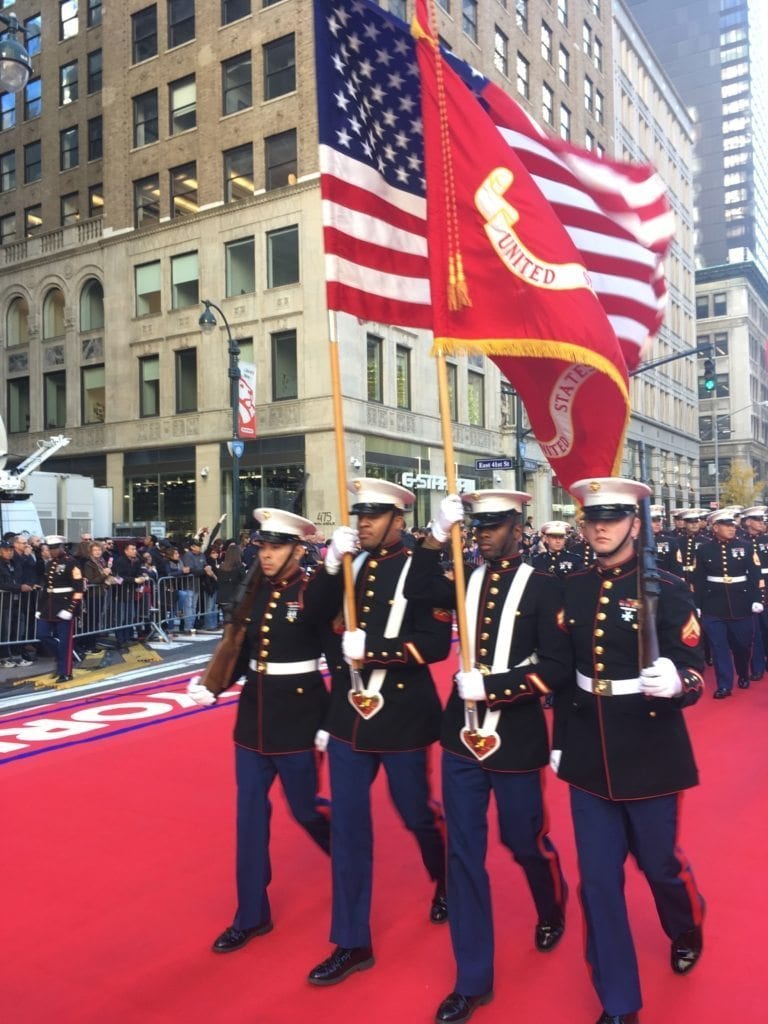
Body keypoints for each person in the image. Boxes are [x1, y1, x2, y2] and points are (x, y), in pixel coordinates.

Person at [407, 491, 571, 1024]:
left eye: (493, 525)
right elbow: (413, 592)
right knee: (464, 853)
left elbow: (556, 668)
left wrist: (496, 686)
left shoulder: (546, 588)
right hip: (461, 737)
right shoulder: (463, 577)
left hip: (516, 734)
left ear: (518, 527)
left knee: (522, 839)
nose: (481, 532)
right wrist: (434, 537)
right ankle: (472, 978)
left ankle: (550, 899)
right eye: (477, 524)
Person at [556, 478, 706, 1024]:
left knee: (659, 865)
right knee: (597, 882)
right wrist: (558, 743)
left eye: (614, 517)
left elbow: (695, 664)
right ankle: (619, 1004)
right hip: (589, 751)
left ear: (635, 524)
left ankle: (686, 921)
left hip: (650, 747)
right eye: (593, 516)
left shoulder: (665, 587)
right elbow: (561, 674)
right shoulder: (569, 585)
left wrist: (679, 680)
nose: (601, 526)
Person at [307, 478, 452, 987]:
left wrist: (376, 653)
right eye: (359, 514)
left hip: (403, 714)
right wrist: (328, 567)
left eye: (374, 516)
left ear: (399, 522)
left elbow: (435, 643)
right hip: (351, 714)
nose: (362, 523)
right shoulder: (350, 564)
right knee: (348, 828)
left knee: (415, 813)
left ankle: (446, 878)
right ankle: (352, 941)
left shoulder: (421, 567)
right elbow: (312, 616)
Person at [186, 508, 333, 953]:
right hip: (253, 719)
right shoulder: (254, 593)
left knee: (306, 810)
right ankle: (251, 914)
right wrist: (215, 683)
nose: (265, 555)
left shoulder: (311, 593)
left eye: (275, 547)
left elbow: (341, 662)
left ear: (297, 549)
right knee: (249, 819)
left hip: (300, 716)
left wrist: (331, 722)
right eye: (262, 547)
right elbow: (242, 650)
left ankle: (346, 850)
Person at [693, 507, 762, 698]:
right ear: (715, 527)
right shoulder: (704, 549)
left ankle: (742, 672)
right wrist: (697, 604)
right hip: (713, 604)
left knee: (742, 645)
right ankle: (724, 685)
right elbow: (699, 579)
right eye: (726, 525)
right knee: (718, 646)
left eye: (732, 525)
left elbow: (755, 576)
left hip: (741, 602)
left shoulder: (746, 546)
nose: (732, 528)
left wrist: (757, 599)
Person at [35, 536, 84, 683]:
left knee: (65, 642)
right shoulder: (50, 564)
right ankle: (63, 657)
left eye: (55, 548)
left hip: (64, 606)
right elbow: (46, 588)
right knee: (42, 634)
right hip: (48, 607)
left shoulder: (72, 563)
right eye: (50, 549)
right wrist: (39, 608)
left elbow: (78, 589)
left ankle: (65, 671)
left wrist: (70, 609)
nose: (52, 551)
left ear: (62, 548)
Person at [742, 506, 768, 680]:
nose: (762, 523)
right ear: (749, 522)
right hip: (750, 589)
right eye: (758, 520)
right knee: (755, 631)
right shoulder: (739, 540)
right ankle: (757, 666)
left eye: (763, 520)